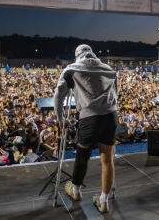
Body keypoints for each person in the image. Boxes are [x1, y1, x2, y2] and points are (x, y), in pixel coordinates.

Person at [54, 44, 118, 214]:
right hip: (111, 115)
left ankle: (75, 190)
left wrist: (60, 119)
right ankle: (104, 200)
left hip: (90, 116)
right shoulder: (107, 68)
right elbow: (115, 93)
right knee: (107, 158)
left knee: (83, 153)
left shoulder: (71, 68)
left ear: (77, 56)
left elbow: (58, 96)